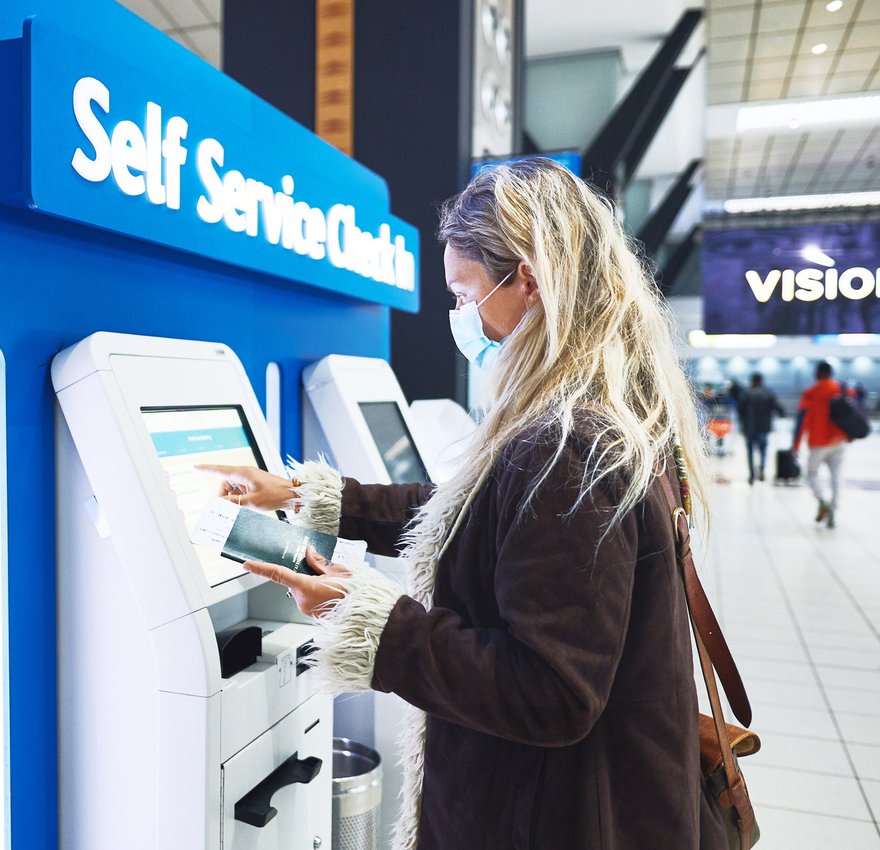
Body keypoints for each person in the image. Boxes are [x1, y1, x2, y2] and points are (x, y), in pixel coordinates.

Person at [203, 159, 725, 849]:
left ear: (527, 283)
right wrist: (311, 498)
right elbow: (483, 513)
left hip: (555, 817)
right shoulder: (604, 412)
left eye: (462, 293)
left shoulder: (565, 445)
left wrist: (371, 620)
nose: (459, 317)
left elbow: (551, 690)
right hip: (600, 796)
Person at [793, 361, 855, 529]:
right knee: (835, 476)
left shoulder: (811, 392)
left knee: (811, 474)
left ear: (816, 373)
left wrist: (796, 445)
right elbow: (853, 408)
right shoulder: (842, 389)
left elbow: (801, 421)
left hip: (818, 442)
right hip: (839, 440)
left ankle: (822, 501)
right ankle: (833, 508)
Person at [738, 372, 784, 484]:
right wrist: (782, 413)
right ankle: (762, 467)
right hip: (763, 427)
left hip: (749, 428)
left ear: (752, 381)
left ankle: (752, 475)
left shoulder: (746, 393)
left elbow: (740, 410)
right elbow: (777, 407)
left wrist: (742, 424)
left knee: (750, 452)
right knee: (763, 450)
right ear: (761, 381)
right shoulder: (767, 393)